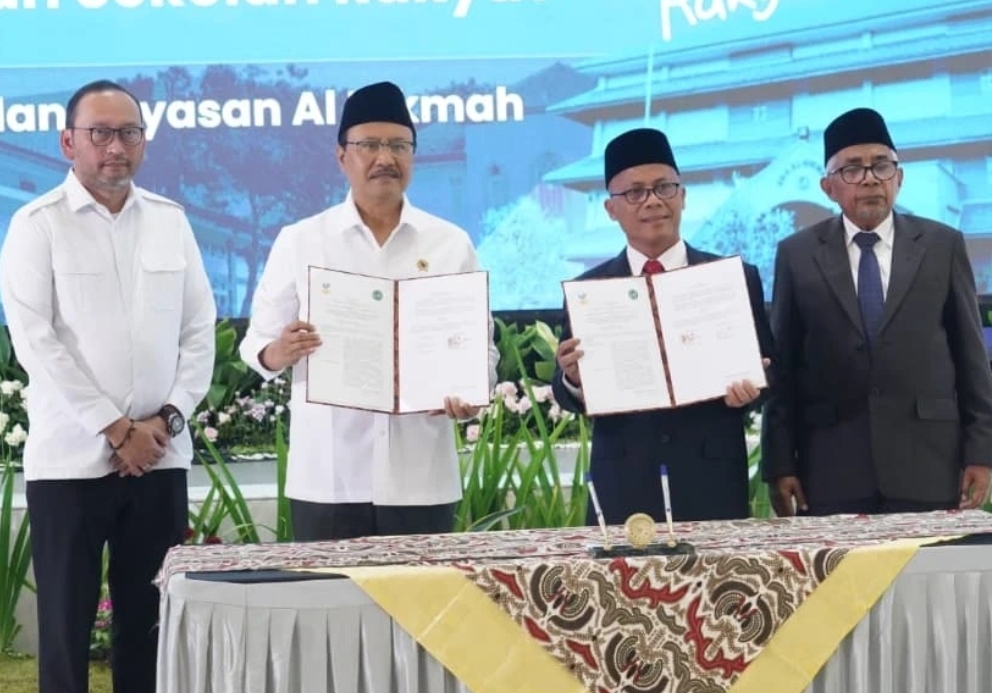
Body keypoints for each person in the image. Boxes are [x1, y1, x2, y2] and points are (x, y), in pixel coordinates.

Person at [0, 80, 216, 693]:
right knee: (65, 632)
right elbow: (36, 342)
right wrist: (117, 429)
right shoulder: (37, 225)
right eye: (100, 133)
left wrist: (165, 421)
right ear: (69, 142)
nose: (115, 146)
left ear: (143, 141)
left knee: (148, 627)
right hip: (71, 462)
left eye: (129, 133)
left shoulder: (171, 221)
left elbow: (199, 330)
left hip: (159, 459)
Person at [239, 81, 498, 541]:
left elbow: (481, 351)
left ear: (413, 156)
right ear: (342, 156)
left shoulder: (450, 243)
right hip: (327, 475)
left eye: (399, 146)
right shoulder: (301, 240)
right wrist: (280, 351)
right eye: (370, 145)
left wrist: (471, 395)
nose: (385, 158)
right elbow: (256, 344)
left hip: (421, 477)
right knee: (330, 591)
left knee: (421, 591)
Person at [761, 107, 992, 517]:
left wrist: (982, 452)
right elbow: (783, 368)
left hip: (929, 464)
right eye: (852, 168)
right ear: (828, 187)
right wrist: (780, 462)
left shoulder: (942, 245)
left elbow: (971, 358)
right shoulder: (796, 255)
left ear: (898, 178)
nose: (869, 178)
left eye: (881, 165)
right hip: (830, 468)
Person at [551, 127, 774, 524]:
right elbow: (568, 394)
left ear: (683, 196)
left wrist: (753, 389)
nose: (652, 201)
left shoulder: (734, 279)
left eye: (664, 187)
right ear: (611, 209)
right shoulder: (589, 291)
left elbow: (770, 372)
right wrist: (574, 379)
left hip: (712, 480)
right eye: (635, 192)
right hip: (623, 482)